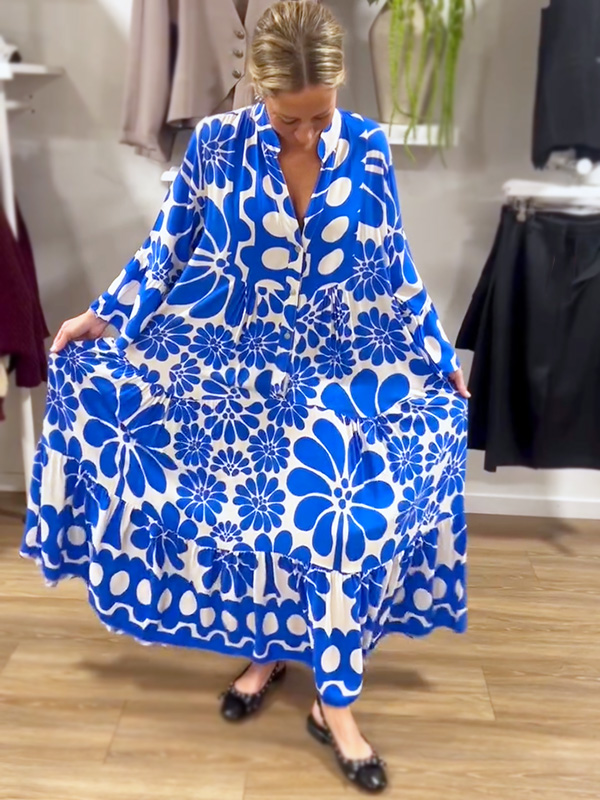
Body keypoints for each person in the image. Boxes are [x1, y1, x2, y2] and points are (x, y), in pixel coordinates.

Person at [23, 2, 469, 793]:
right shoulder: (215, 145)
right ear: (259, 92)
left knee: (339, 531)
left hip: (339, 371)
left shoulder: (366, 148)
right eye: (292, 118)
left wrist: (437, 354)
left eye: (322, 115)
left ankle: (336, 704)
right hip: (235, 374)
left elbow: (393, 261)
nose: (310, 134)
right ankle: (268, 654)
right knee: (260, 530)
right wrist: (104, 313)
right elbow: (168, 246)